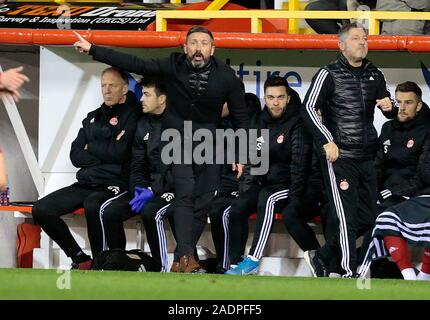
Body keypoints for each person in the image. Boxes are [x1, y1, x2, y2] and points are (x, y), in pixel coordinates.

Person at [73, 26, 249, 273]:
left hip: (209, 143)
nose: (199, 49)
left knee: (204, 202)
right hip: (177, 141)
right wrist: (94, 49)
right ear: (184, 48)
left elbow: (241, 116)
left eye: (204, 44)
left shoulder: (227, 76)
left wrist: (241, 154)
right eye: (194, 43)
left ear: (213, 48)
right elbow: (135, 62)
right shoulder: (172, 64)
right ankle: (188, 257)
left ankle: (181, 258)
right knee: (186, 195)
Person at [301, 23, 394, 278]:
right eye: (355, 39)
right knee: (346, 218)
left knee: (370, 216)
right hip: (339, 156)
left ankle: (321, 256)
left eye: (365, 38)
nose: (362, 42)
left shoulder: (374, 73)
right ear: (341, 45)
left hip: (367, 157)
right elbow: (308, 108)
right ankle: (346, 270)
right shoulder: (328, 73)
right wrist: (326, 140)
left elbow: (390, 107)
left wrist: (390, 106)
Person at [32, 67, 140, 269]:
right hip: (87, 181)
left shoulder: (133, 116)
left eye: (113, 85)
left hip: (114, 183)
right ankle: (81, 258)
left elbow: (120, 153)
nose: (107, 90)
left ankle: (106, 261)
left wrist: (91, 147)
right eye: (103, 85)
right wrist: (104, 153)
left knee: (94, 204)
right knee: (41, 209)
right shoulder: (92, 117)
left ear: (125, 88)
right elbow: (75, 154)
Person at [225, 76, 312, 275]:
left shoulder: (298, 123)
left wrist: (295, 198)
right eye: (271, 97)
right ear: (264, 98)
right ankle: (234, 263)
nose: (275, 103)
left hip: (291, 186)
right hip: (266, 183)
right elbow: (255, 159)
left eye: (280, 97)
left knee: (268, 198)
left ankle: (253, 260)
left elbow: (300, 165)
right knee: (237, 207)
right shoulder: (260, 121)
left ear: (288, 98)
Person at [100, 76, 176, 272]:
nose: (141, 98)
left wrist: (153, 190)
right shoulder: (143, 125)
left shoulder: (180, 125)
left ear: (162, 99)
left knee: (151, 212)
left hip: (173, 188)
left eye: (147, 94)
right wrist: (138, 188)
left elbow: (180, 170)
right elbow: (138, 163)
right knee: (110, 211)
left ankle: (161, 269)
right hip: (147, 188)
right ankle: (118, 264)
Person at [358, 145, 430, 281]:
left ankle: (425, 276)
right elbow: (424, 172)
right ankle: (409, 277)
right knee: (387, 218)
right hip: (423, 198)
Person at [209, 93, 261, 273]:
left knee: (225, 211)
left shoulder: (251, 115)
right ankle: (222, 263)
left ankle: (229, 264)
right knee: (215, 209)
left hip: (250, 185)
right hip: (227, 184)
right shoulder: (219, 123)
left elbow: (255, 157)